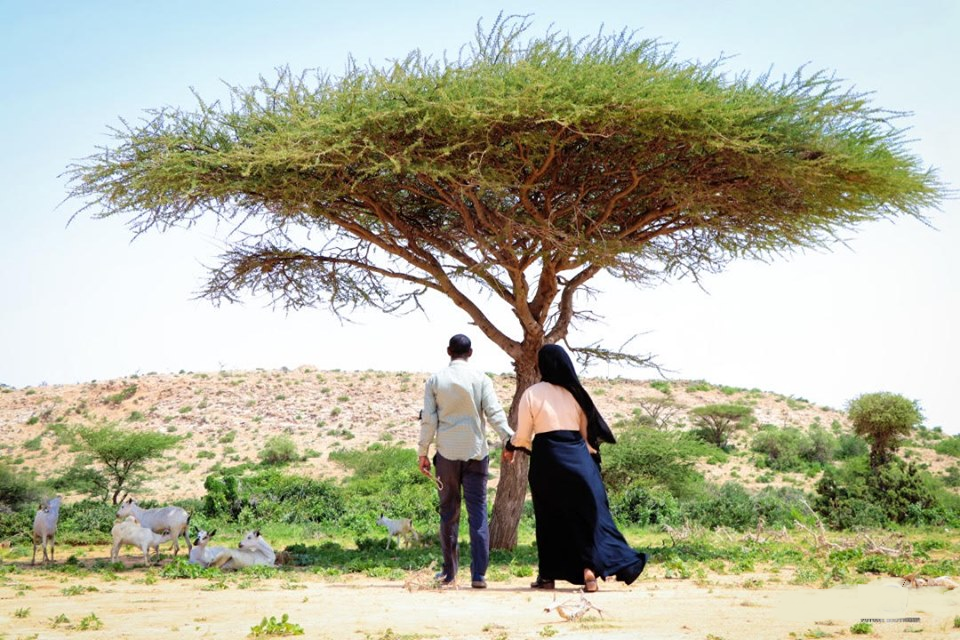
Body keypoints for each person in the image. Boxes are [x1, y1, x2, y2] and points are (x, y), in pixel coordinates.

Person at [503, 344, 646, 592]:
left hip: (547, 459)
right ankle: (589, 571)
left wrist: (510, 446)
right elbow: (587, 437)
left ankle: (547, 577)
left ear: (542, 365)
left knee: (549, 519)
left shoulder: (532, 393)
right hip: (578, 457)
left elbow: (524, 435)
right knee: (586, 517)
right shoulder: (577, 394)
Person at [418, 334, 513, 589]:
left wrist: (423, 452)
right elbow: (494, 413)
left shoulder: (435, 380)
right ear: (471, 352)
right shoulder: (481, 379)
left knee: (449, 513)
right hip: (476, 453)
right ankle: (478, 575)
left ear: (448, 351)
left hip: (447, 455)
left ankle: (449, 573)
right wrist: (509, 438)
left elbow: (429, 420)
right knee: (478, 513)